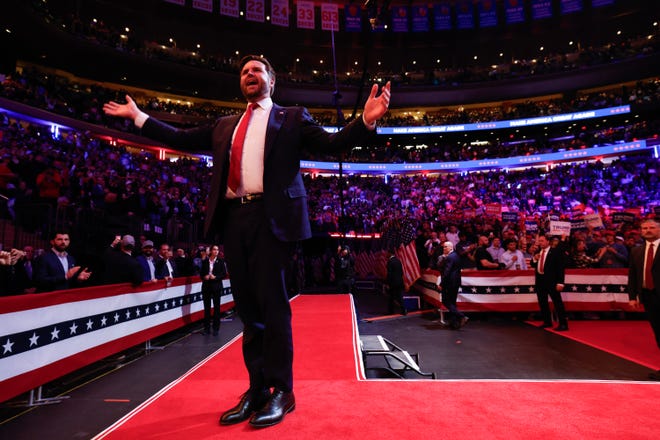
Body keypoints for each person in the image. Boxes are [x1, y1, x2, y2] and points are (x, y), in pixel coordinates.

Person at [103, 54, 391, 428]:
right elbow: (179, 137)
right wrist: (138, 117)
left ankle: (281, 392)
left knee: (273, 309)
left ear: (272, 79)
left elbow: (332, 144)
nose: (250, 75)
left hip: (272, 221)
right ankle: (256, 389)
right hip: (233, 220)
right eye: (244, 72)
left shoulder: (292, 117)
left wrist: (366, 119)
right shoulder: (225, 125)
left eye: (257, 70)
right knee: (249, 313)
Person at [628, 218, 660, 381]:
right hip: (648, 296)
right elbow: (633, 275)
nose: (648, 230)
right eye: (644, 228)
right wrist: (633, 297)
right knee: (658, 332)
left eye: (652, 227)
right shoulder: (636, 251)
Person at [530, 234, 568, 331]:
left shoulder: (555, 252)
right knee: (543, 303)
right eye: (539, 241)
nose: (540, 243)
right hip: (540, 282)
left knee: (557, 303)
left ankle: (563, 324)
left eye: (542, 241)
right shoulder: (538, 251)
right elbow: (532, 264)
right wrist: (535, 259)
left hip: (552, 281)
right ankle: (547, 322)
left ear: (548, 241)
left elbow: (560, 268)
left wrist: (560, 282)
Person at [439, 241, 468, 329]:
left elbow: (447, 272)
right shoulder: (456, 255)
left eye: (445, 247)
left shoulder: (449, 258)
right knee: (452, 302)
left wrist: (441, 283)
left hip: (449, 283)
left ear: (451, 248)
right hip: (455, 282)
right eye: (443, 247)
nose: (444, 248)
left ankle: (461, 316)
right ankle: (454, 323)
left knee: (445, 301)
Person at [200, 245, 227, 336]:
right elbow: (201, 275)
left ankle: (216, 329)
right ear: (211, 251)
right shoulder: (205, 262)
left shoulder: (220, 261)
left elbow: (224, 274)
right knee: (207, 309)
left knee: (217, 308)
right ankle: (206, 329)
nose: (216, 251)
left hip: (216, 287)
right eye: (214, 249)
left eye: (217, 250)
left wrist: (215, 277)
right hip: (206, 287)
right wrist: (205, 276)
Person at [386, 248, 406, 315]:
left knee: (391, 297)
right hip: (400, 281)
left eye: (387, 253)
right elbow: (401, 272)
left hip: (393, 282)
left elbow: (390, 274)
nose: (386, 254)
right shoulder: (398, 260)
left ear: (390, 253)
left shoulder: (390, 261)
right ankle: (404, 310)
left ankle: (391, 311)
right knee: (400, 297)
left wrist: (388, 283)